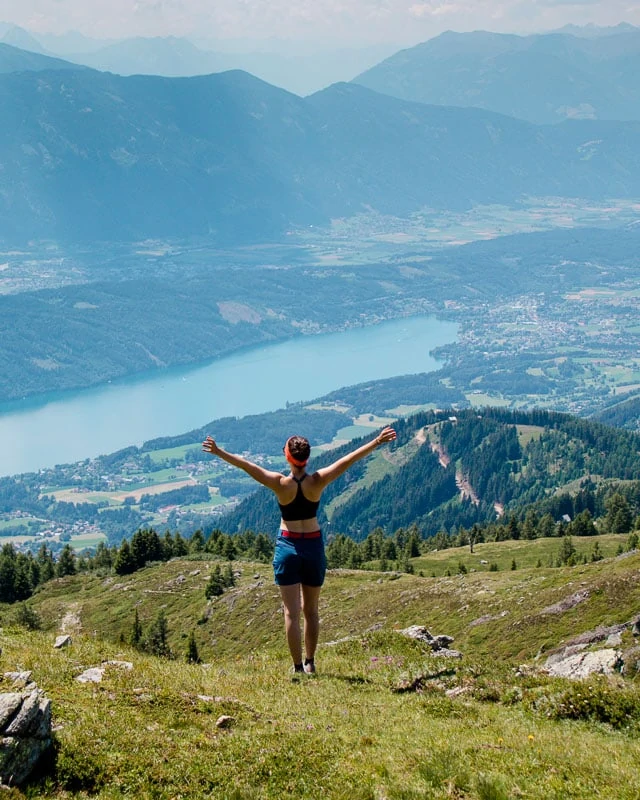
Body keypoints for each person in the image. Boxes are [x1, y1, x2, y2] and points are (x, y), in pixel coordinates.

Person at [202, 426, 397, 674]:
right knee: (311, 611)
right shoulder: (318, 480)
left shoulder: (280, 484)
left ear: (287, 456)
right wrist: (377, 441)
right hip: (313, 546)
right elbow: (349, 459)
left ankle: (296, 668)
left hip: (288, 545)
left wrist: (219, 452)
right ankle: (310, 663)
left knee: (291, 614)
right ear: (307, 458)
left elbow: (247, 466)